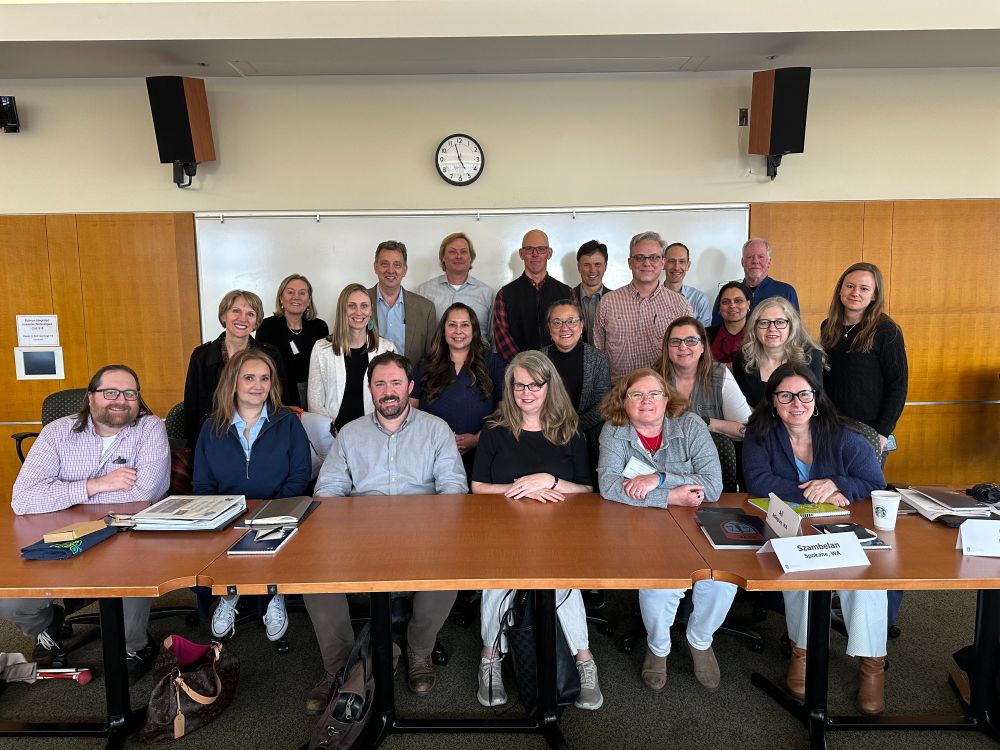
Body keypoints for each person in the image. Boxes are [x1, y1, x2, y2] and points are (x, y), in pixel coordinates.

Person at [304, 352, 467, 713]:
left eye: (396, 383)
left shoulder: (436, 430)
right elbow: (327, 491)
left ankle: (419, 650)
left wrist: (425, 527)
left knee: (450, 570)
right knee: (313, 577)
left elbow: (454, 490)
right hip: (359, 538)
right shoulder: (350, 434)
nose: (388, 392)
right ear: (370, 389)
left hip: (422, 536)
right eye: (380, 384)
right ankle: (341, 668)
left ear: (410, 387)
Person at [742, 363, 887, 715]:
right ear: (773, 401)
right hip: (790, 526)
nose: (796, 402)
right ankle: (801, 652)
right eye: (786, 395)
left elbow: (875, 484)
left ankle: (872, 667)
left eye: (804, 394)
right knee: (799, 573)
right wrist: (814, 493)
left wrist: (838, 484)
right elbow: (758, 481)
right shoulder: (760, 435)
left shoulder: (844, 436)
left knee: (866, 578)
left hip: (842, 525)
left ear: (816, 399)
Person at [7, 364, 168, 680]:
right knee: (10, 603)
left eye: (129, 393)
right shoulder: (57, 433)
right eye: (110, 392)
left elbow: (145, 493)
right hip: (56, 536)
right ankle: (48, 622)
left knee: (132, 585)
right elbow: (23, 499)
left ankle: (135, 646)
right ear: (91, 397)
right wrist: (97, 485)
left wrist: (62, 495)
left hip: (125, 537)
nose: (120, 400)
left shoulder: (149, 429)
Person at [471, 351, 602, 711]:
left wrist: (551, 480)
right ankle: (491, 657)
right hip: (503, 528)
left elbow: (588, 490)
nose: (525, 392)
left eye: (534, 385)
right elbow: (479, 487)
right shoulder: (495, 430)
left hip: (558, 530)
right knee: (499, 575)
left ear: (549, 386)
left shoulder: (570, 431)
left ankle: (584, 660)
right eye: (519, 385)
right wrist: (523, 488)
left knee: (562, 579)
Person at [597, 369, 733, 693]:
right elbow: (609, 485)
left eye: (655, 394)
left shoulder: (690, 425)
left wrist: (657, 479)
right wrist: (672, 493)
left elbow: (713, 486)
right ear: (624, 401)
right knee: (659, 583)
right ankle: (658, 648)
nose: (647, 402)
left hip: (696, 520)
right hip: (643, 524)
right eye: (637, 395)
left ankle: (701, 639)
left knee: (720, 579)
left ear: (667, 398)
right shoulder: (614, 430)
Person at [194, 349, 311, 643]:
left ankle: (274, 593)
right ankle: (229, 593)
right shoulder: (212, 427)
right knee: (217, 545)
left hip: (280, 514)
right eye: (249, 378)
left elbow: (299, 477)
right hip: (226, 516)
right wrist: (226, 514)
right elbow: (203, 484)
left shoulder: (287, 422)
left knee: (268, 540)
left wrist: (268, 512)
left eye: (264, 378)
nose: (257, 385)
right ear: (233, 382)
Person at [184, 289, 292, 447]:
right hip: (215, 438)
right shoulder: (201, 357)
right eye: (236, 311)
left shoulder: (271, 355)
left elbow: (281, 402)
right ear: (223, 316)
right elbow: (192, 410)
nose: (243, 319)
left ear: (256, 322)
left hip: (262, 438)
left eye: (250, 314)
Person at [819, 263, 907, 455]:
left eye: (864, 288)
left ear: (874, 295)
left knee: (862, 485)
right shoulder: (828, 326)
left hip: (869, 433)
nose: (855, 293)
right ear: (840, 288)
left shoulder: (886, 330)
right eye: (850, 286)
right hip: (831, 427)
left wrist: (882, 434)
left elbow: (898, 385)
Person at [410, 303, 505, 476]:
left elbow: (505, 408)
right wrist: (438, 441)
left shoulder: (492, 362)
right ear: (443, 329)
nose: (458, 331)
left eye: (465, 325)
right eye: (452, 324)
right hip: (432, 454)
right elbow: (411, 408)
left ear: (474, 329)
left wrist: (477, 439)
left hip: (483, 452)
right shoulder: (426, 364)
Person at [593, 231, 693, 382]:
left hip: (666, 393)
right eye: (639, 257)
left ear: (662, 262)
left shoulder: (680, 306)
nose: (647, 263)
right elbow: (598, 357)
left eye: (654, 257)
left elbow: (689, 355)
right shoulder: (608, 303)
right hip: (618, 394)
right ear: (630, 263)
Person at [307, 283, 396, 434]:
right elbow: (314, 401)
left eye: (364, 306)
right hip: (333, 435)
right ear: (342, 310)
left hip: (375, 434)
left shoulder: (386, 349)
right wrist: (330, 432)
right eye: (352, 306)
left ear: (371, 310)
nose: (359, 312)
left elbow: (393, 396)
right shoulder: (322, 349)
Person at [654, 316, 750, 441]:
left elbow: (746, 430)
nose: (682, 347)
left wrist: (707, 423)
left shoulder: (720, 375)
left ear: (702, 347)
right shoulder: (655, 377)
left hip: (713, 453)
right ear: (667, 348)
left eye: (691, 340)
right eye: (675, 341)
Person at [540, 299, 611, 462]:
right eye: (557, 322)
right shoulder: (539, 359)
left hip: (589, 440)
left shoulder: (598, 359)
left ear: (581, 325)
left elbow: (602, 405)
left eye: (571, 321)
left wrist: (573, 428)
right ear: (550, 328)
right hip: (545, 436)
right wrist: (554, 430)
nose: (565, 328)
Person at [491, 229, 576, 362]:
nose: (535, 254)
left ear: (549, 253)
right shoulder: (504, 295)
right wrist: (526, 368)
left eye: (541, 249)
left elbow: (574, 333)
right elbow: (502, 340)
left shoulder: (567, 293)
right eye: (529, 249)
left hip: (561, 371)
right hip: (519, 374)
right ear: (521, 254)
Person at [732, 296, 824, 408]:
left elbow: (818, 402)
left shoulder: (810, 355)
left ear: (791, 326)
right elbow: (739, 404)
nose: (772, 328)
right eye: (764, 322)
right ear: (755, 327)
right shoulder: (743, 357)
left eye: (780, 322)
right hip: (756, 424)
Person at [255, 274, 330, 408]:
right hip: (278, 396)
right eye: (290, 292)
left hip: (316, 395)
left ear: (308, 300)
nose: (296, 297)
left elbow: (326, 365)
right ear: (281, 298)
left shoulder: (320, 327)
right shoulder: (267, 327)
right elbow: (260, 365)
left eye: (302, 293)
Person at [367, 240, 438, 366]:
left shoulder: (426, 308)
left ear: (404, 270)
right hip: (366, 383)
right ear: (375, 267)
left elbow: (432, 357)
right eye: (384, 264)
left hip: (412, 383)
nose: (390, 270)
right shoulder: (358, 303)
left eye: (397, 265)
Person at [416, 232, 496, 343]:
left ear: (470, 258)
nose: (458, 256)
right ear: (442, 257)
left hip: (479, 359)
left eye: (463, 252)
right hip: (437, 359)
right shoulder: (424, 292)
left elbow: (494, 338)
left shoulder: (487, 294)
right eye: (452, 251)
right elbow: (419, 335)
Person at [710, 238, 800, 326]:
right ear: (742, 262)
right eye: (750, 257)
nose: (755, 261)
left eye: (760, 257)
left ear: (769, 262)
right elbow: (715, 331)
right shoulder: (728, 294)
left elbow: (795, 330)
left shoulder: (786, 291)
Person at [573, 240, 613, 344]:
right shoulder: (566, 297)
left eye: (597, 264)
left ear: (605, 266)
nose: (592, 270)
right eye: (587, 264)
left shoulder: (616, 300)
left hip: (607, 359)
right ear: (578, 267)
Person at [664, 242, 711, 327]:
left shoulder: (699, 299)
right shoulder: (651, 297)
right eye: (671, 261)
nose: (676, 267)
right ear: (663, 264)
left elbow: (704, 336)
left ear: (688, 265)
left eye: (681, 261)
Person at [707, 281, 751, 366]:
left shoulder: (759, 335)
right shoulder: (705, 335)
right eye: (726, 302)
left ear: (748, 304)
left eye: (738, 301)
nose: (732, 306)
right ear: (719, 307)